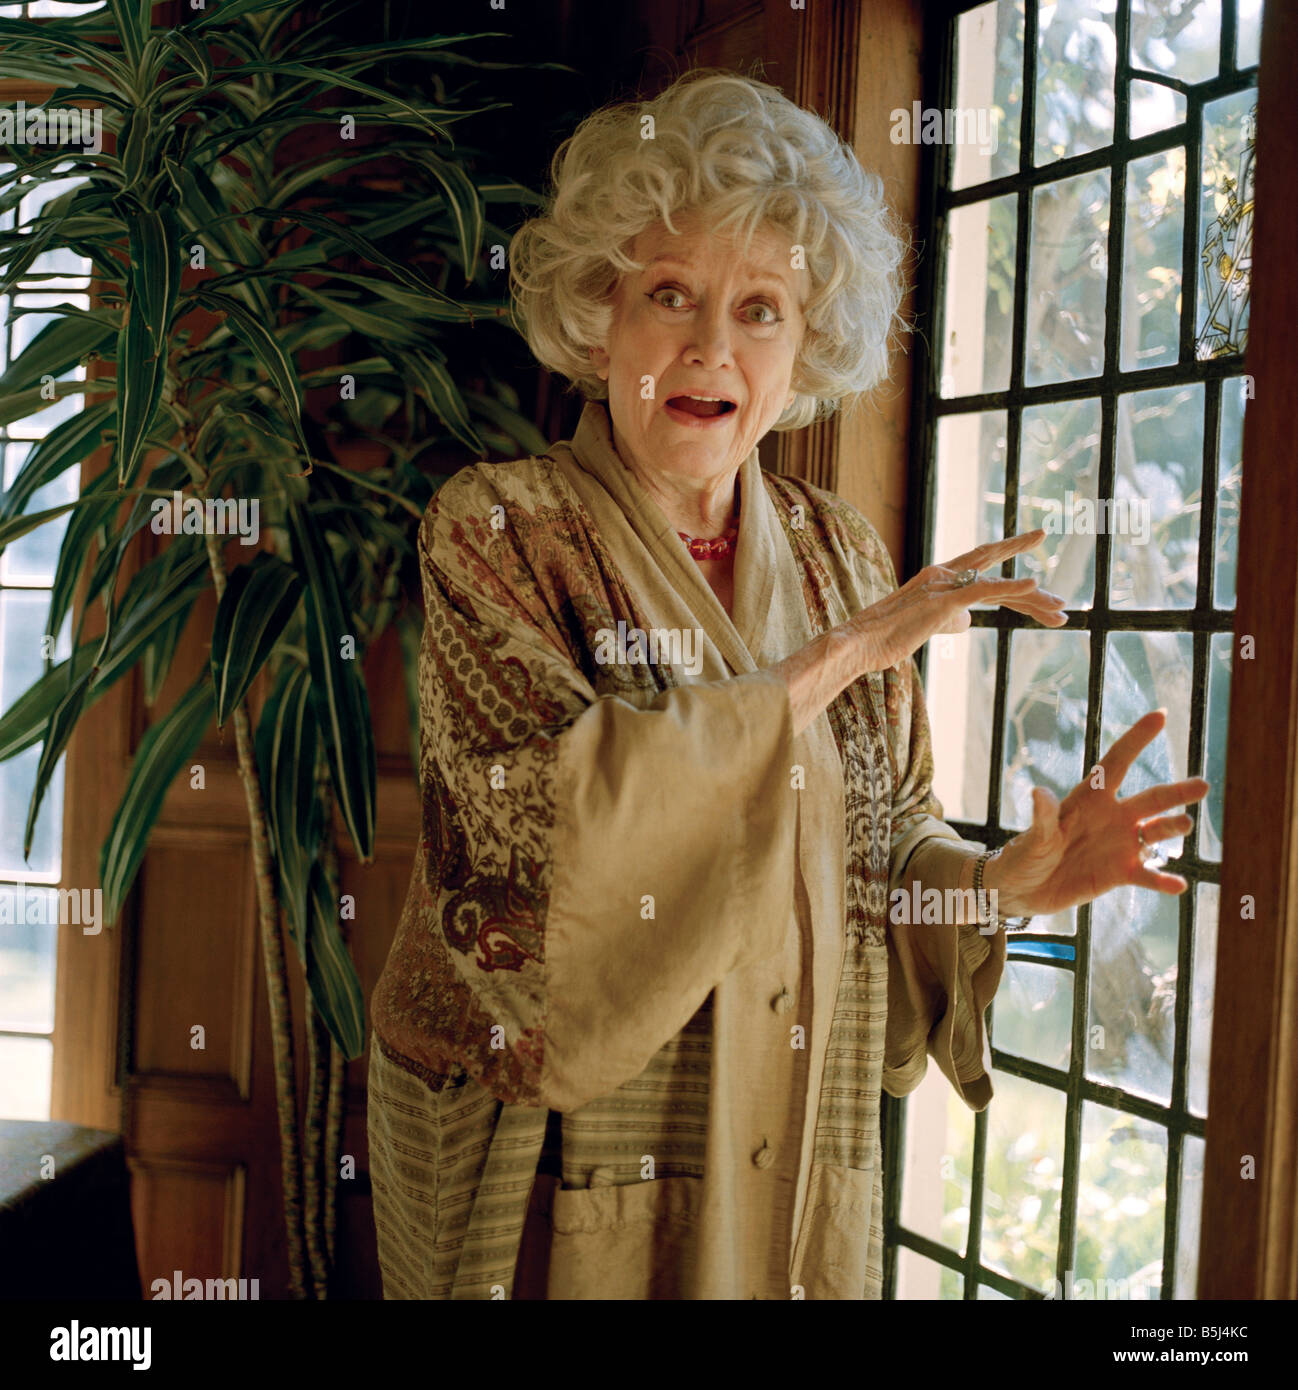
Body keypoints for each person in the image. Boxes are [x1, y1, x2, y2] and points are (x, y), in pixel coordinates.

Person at [366, 68, 1208, 1300]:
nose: (711, 345)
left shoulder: (839, 552)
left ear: (806, 346)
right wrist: (842, 655)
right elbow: (549, 831)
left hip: (795, 1148)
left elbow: (882, 838)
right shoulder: (498, 529)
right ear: (600, 313)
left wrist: (994, 886)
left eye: (760, 308)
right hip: (559, 1165)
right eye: (670, 294)